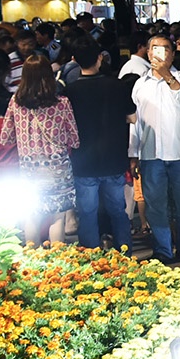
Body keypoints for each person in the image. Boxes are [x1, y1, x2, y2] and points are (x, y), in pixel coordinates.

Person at [130, 34, 180, 265]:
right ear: (148, 53)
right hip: (151, 154)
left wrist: (168, 76)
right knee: (155, 206)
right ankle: (163, 249)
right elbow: (135, 122)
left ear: (172, 53)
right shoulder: (141, 84)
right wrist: (133, 153)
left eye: (165, 49)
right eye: (155, 49)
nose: (160, 53)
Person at [65, 41, 136, 251]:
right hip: (114, 158)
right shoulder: (117, 86)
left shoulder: (70, 91)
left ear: (75, 61)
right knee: (118, 210)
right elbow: (132, 117)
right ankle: (125, 253)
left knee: (87, 213)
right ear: (100, 58)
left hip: (84, 162)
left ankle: (91, 257)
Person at [6, 53, 80, 245]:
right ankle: (56, 258)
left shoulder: (15, 102)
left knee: (32, 215)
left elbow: (5, 137)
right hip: (58, 169)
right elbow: (74, 140)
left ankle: (32, 256)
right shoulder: (62, 103)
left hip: (29, 168)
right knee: (58, 217)